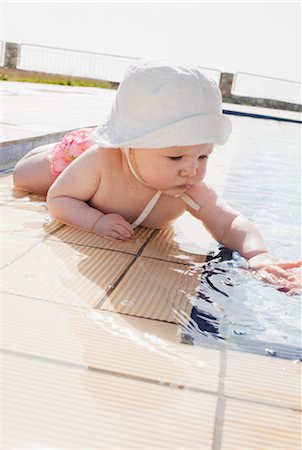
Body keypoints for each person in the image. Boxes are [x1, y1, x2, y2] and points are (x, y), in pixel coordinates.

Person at [13, 59, 301, 293]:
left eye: (203, 156)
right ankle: (67, 143)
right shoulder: (102, 161)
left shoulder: (188, 189)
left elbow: (231, 223)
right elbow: (59, 198)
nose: (191, 169)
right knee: (24, 176)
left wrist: (259, 256)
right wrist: (94, 220)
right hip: (74, 160)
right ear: (130, 146)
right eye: (175, 156)